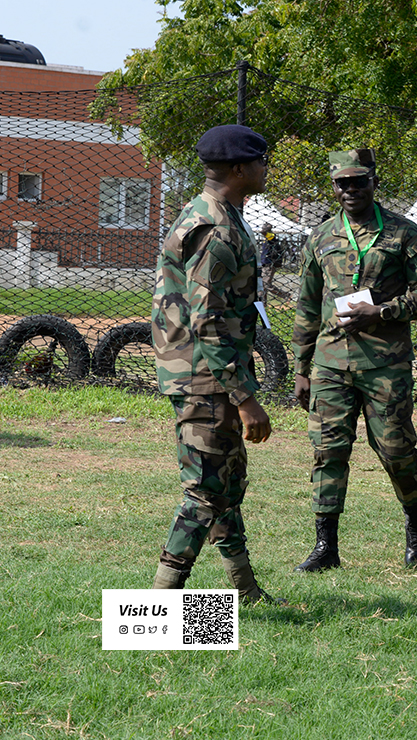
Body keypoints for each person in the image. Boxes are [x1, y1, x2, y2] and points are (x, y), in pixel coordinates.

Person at [290, 149, 417, 572]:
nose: (350, 189)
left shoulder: (404, 233)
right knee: (328, 451)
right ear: (333, 186)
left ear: (374, 181)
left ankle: (416, 529)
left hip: (384, 364)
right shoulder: (321, 237)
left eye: (359, 181)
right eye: (342, 183)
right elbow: (306, 305)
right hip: (330, 364)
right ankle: (325, 546)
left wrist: (385, 311)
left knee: (395, 450)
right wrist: (301, 368)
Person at [150, 124, 277, 604]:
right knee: (203, 492)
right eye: (262, 161)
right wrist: (245, 398)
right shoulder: (215, 228)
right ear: (241, 168)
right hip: (207, 379)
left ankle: (245, 593)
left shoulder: (220, 213)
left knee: (226, 483)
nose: (267, 169)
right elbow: (209, 321)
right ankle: (160, 613)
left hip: (209, 375)